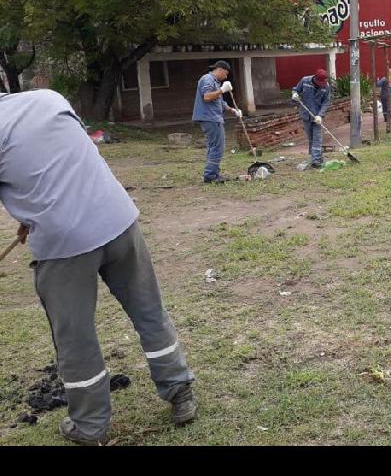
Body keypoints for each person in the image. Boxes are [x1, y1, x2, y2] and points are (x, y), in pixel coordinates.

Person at [0, 89, 197, 445]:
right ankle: (180, 390)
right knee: (148, 309)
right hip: (118, 218)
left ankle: (90, 426)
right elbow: (63, 154)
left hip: (64, 245)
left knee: (75, 336)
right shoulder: (48, 98)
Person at [192, 60, 242, 184]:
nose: (225, 77)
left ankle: (214, 173)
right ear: (219, 69)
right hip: (210, 118)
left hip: (213, 117)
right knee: (218, 147)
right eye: (225, 74)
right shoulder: (207, 79)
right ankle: (210, 176)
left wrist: (232, 110)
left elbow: (219, 101)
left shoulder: (214, 82)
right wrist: (222, 90)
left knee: (213, 147)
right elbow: (207, 97)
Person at [291, 69, 331, 169]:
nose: (322, 84)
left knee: (317, 138)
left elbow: (326, 102)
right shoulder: (305, 81)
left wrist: (320, 115)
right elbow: (296, 89)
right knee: (311, 138)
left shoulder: (326, 87)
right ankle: (315, 157)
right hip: (306, 114)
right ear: (315, 79)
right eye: (320, 83)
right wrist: (294, 94)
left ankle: (316, 161)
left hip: (317, 117)